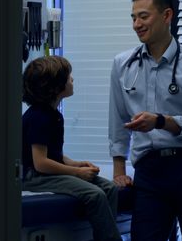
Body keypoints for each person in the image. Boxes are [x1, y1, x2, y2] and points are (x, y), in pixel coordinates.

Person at [108, 0, 182, 241]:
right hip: (149, 170)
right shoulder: (123, 64)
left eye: (143, 16)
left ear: (166, 16)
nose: (136, 24)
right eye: (133, 18)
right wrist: (118, 167)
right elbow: (117, 117)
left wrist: (160, 121)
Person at [22, 56, 122, 241]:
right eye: (69, 77)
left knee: (109, 188)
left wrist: (76, 165)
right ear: (55, 86)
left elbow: (52, 154)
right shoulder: (39, 117)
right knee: (95, 194)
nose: (73, 80)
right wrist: (76, 173)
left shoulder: (52, 115)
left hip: (42, 172)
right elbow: (40, 163)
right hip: (33, 176)